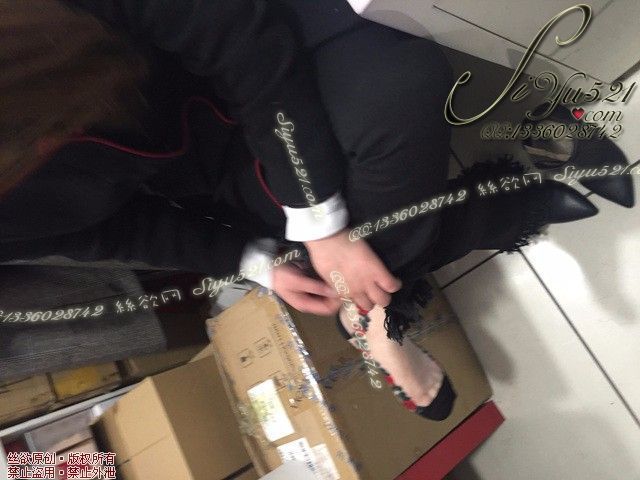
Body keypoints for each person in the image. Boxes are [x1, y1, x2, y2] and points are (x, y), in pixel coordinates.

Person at [0, 0, 597, 419]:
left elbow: (231, 33)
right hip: (216, 159)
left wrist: (317, 214)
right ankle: (391, 302)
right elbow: (111, 232)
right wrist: (255, 262)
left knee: (399, 88)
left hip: (269, 39)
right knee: (334, 256)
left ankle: (493, 215)